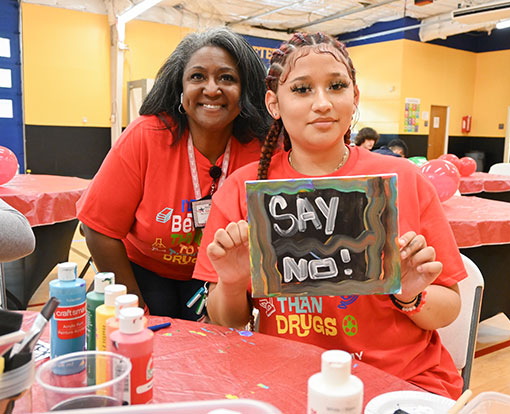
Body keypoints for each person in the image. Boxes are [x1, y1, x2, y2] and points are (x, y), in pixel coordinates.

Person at [192, 32, 466, 398]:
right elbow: (229, 323)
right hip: (286, 380)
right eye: (302, 89)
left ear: (354, 97)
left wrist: (411, 295)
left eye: (336, 86)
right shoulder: (242, 190)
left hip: (403, 383)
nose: (322, 103)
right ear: (274, 103)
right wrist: (230, 281)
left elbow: (449, 308)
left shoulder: (406, 180)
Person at [77, 27, 272, 320]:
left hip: (217, 276)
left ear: (245, 91)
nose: (211, 89)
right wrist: (134, 311)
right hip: (142, 270)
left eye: (227, 78)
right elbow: (97, 229)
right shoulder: (146, 135)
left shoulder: (263, 150)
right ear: (180, 91)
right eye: (197, 77)